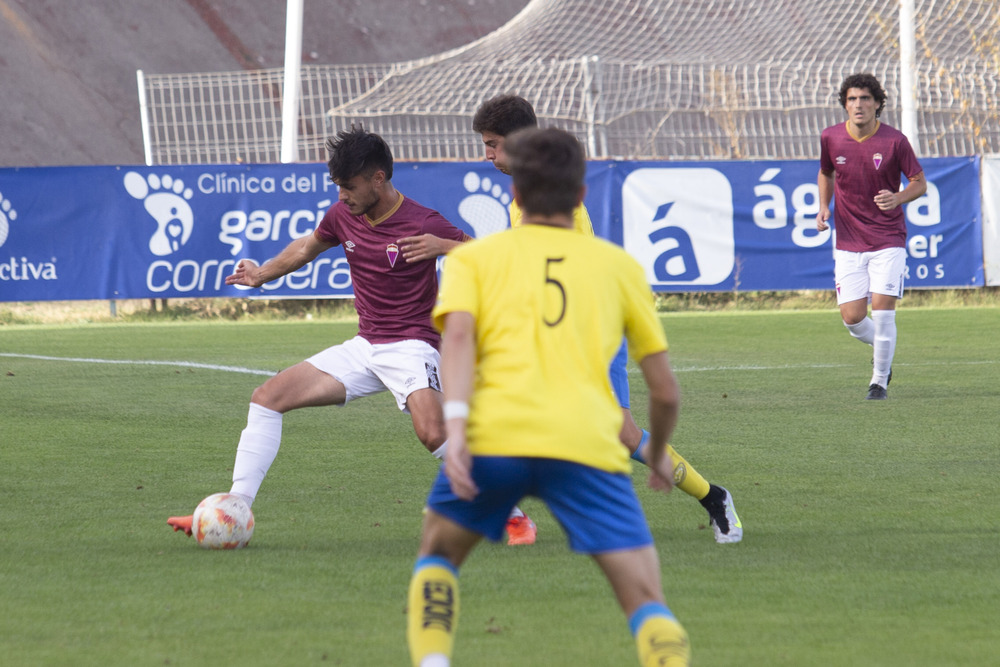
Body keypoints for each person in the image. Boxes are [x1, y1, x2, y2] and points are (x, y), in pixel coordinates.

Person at [166, 126, 537, 546]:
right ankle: (229, 510)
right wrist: (262, 273)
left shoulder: (423, 221)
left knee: (433, 433)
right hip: (365, 347)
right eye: (338, 187)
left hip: (413, 345)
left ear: (378, 178)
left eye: (349, 186)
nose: (342, 196)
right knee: (266, 398)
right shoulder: (343, 215)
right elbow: (306, 247)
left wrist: (442, 246)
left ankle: (514, 517)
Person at [407, 127, 691, 667]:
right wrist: (656, 454)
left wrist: (460, 432)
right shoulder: (618, 268)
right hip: (585, 446)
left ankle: (433, 661)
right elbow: (666, 392)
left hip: (495, 440)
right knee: (647, 601)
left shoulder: (474, 260)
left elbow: (459, 343)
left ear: (515, 194)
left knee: (438, 557)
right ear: (581, 194)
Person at [472, 93, 741, 543]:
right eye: (485, 144)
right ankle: (507, 508)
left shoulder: (551, 196)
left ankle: (713, 496)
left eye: (494, 144)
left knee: (618, 434)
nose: (487, 155)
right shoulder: (525, 192)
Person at [816, 73, 926, 400]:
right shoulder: (831, 138)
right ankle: (883, 353)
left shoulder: (894, 141)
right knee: (852, 318)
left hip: (888, 238)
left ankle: (878, 381)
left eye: (865, 98)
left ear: (877, 103)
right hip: (848, 241)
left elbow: (919, 183)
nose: (858, 104)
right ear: (844, 104)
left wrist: (899, 197)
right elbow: (826, 172)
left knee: (882, 310)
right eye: (852, 99)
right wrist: (824, 206)